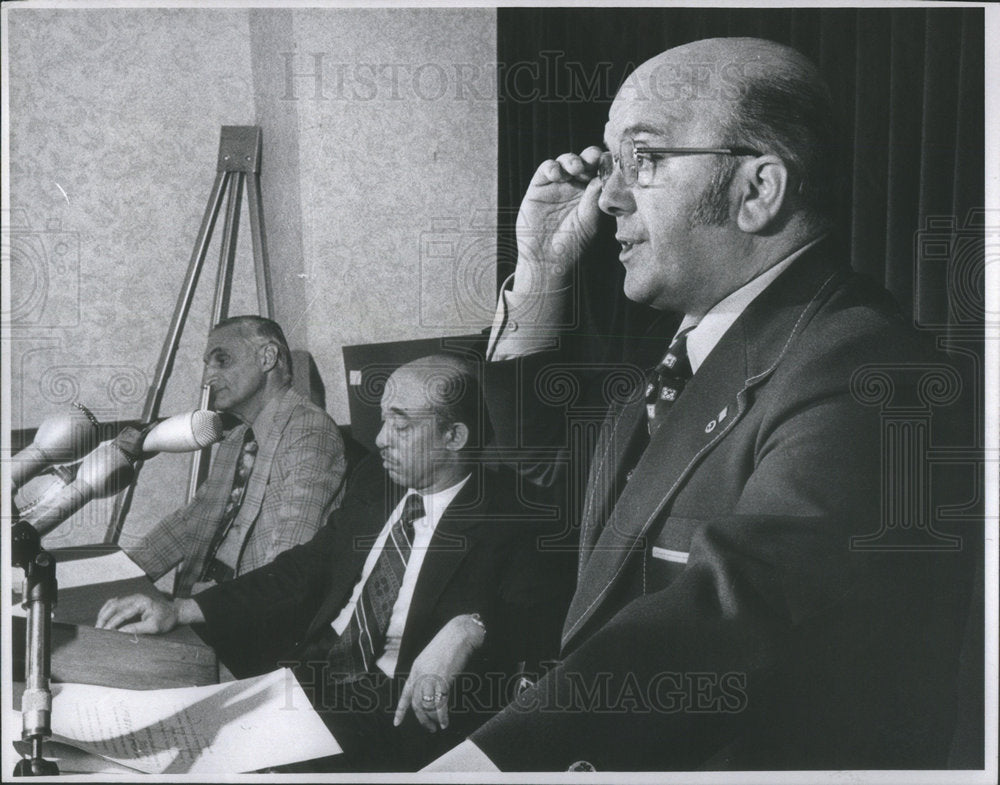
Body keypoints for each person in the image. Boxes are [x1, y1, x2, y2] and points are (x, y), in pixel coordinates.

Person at [426, 37, 976, 772]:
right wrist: (542, 269)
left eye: (643, 160)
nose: (607, 197)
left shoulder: (869, 370)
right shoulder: (692, 350)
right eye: (610, 163)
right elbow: (552, 468)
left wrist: (486, 765)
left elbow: (729, 620)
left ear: (758, 191)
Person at [98, 355, 568, 772]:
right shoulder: (377, 483)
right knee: (150, 739)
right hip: (310, 671)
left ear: (454, 436)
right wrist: (179, 608)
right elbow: (305, 568)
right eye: (383, 420)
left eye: (401, 425)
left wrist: (471, 626)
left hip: (392, 711)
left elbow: (540, 632)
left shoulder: (520, 514)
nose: (380, 439)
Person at [120, 315, 347, 598]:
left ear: (267, 358)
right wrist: (117, 576)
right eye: (207, 365)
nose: (207, 378)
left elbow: (287, 565)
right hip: (206, 602)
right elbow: (193, 521)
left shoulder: (310, 432)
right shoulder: (238, 438)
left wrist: (195, 611)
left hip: (250, 613)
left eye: (222, 360)